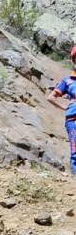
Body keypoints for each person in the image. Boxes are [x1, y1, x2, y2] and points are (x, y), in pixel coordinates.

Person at [47, 45, 76, 174]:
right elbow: (51, 97)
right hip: (73, 119)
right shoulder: (68, 80)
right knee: (75, 151)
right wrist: (66, 107)